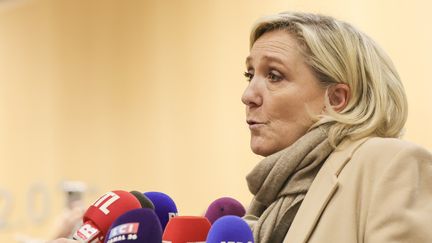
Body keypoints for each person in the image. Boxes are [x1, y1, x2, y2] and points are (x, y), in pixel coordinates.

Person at [241, 12, 432, 243]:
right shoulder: (268, 200)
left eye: (274, 75)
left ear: (336, 99)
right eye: (249, 75)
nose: (248, 95)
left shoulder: (390, 163)